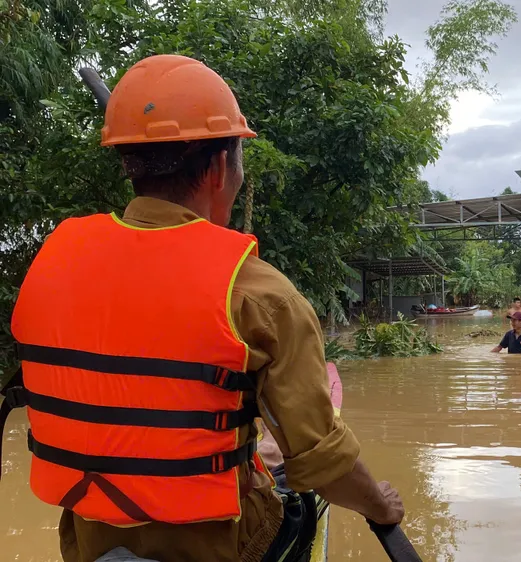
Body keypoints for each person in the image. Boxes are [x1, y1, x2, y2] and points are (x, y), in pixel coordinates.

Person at [0, 54, 402, 562]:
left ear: (130, 165)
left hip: (89, 538)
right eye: (239, 158)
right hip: (223, 548)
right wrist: (381, 507)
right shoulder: (262, 294)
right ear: (219, 167)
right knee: (295, 494)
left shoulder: (52, 267)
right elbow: (326, 466)